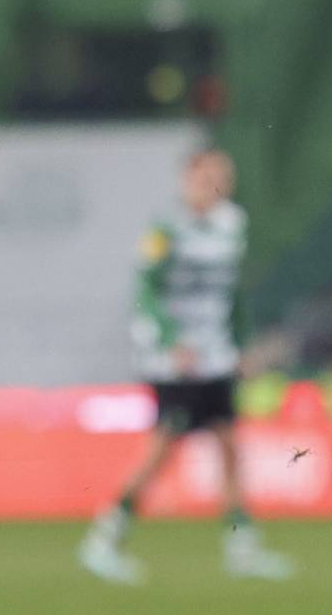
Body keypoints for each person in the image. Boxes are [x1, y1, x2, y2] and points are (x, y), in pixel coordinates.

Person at [77, 148, 296, 584]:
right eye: (209, 176)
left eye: (224, 177)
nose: (218, 184)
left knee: (230, 445)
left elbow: (232, 294)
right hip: (174, 360)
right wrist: (169, 338)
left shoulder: (232, 225)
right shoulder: (166, 228)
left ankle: (242, 546)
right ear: (188, 179)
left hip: (214, 355)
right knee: (162, 449)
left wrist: (241, 345)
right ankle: (104, 537)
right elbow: (146, 290)